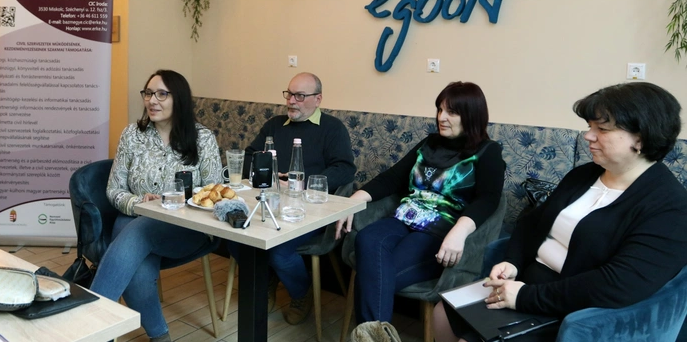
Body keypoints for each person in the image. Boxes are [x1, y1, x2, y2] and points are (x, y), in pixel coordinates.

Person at [433, 82, 687, 342]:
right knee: (442, 312)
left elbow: (618, 284)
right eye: (590, 126)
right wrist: (512, 262)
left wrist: (524, 297)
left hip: (573, 311)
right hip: (525, 287)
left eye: (601, 129)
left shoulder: (670, 206)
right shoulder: (584, 175)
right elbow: (531, 224)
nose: (588, 136)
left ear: (640, 138)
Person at [336, 81, 506, 325]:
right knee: (366, 238)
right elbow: (393, 178)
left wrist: (459, 231)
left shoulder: (488, 151)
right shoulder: (429, 143)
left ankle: (368, 335)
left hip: (438, 232)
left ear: (471, 115)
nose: (441, 117)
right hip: (403, 217)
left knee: (377, 274)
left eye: (451, 112)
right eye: (440, 109)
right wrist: (352, 202)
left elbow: (489, 199)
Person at [89, 70, 222, 342]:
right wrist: (138, 202)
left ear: (179, 99)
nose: (152, 100)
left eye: (162, 94)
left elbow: (214, 193)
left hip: (185, 227)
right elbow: (114, 189)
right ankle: (158, 337)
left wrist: (175, 203)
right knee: (137, 254)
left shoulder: (203, 138)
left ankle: (92, 327)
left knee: (138, 232)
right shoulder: (132, 135)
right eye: (148, 93)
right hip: (135, 216)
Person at [229, 72, 356, 324]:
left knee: (279, 252)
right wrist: (269, 173)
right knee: (234, 238)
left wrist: (302, 182)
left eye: (299, 96)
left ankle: (300, 293)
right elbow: (249, 157)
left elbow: (345, 169)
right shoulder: (274, 125)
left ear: (317, 99)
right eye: (289, 94)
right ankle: (266, 280)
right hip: (269, 203)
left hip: (310, 209)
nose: (291, 101)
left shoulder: (332, 128)